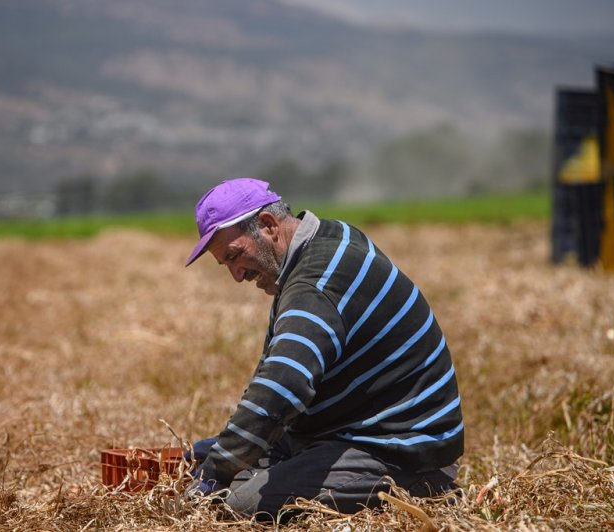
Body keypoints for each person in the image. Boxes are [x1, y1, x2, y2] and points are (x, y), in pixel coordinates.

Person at [184, 178, 463, 521]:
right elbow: (278, 375)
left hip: (400, 449)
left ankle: (427, 492)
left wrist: (218, 470)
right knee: (212, 467)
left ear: (268, 226)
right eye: (225, 264)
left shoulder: (316, 283)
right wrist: (222, 451)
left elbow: (282, 387)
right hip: (345, 431)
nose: (236, 275)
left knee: (238, 506)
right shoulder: (326, 239)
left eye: (235, 255)